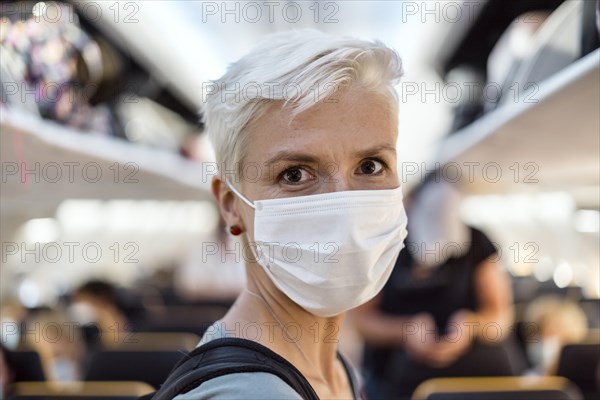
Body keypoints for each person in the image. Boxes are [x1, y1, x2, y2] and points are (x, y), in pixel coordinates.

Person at [169, 29, 408, 399]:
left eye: (371, 166)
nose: (345, 207)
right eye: (294, 174)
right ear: (231, 205)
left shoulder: (333, 370)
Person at [353, 177, 516, 399]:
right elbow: (363, 321)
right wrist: (407, 330)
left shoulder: (477, 243)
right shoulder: (385, 244)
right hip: (394, 377)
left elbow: (502, 316)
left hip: (470, 375)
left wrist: (470, 325)